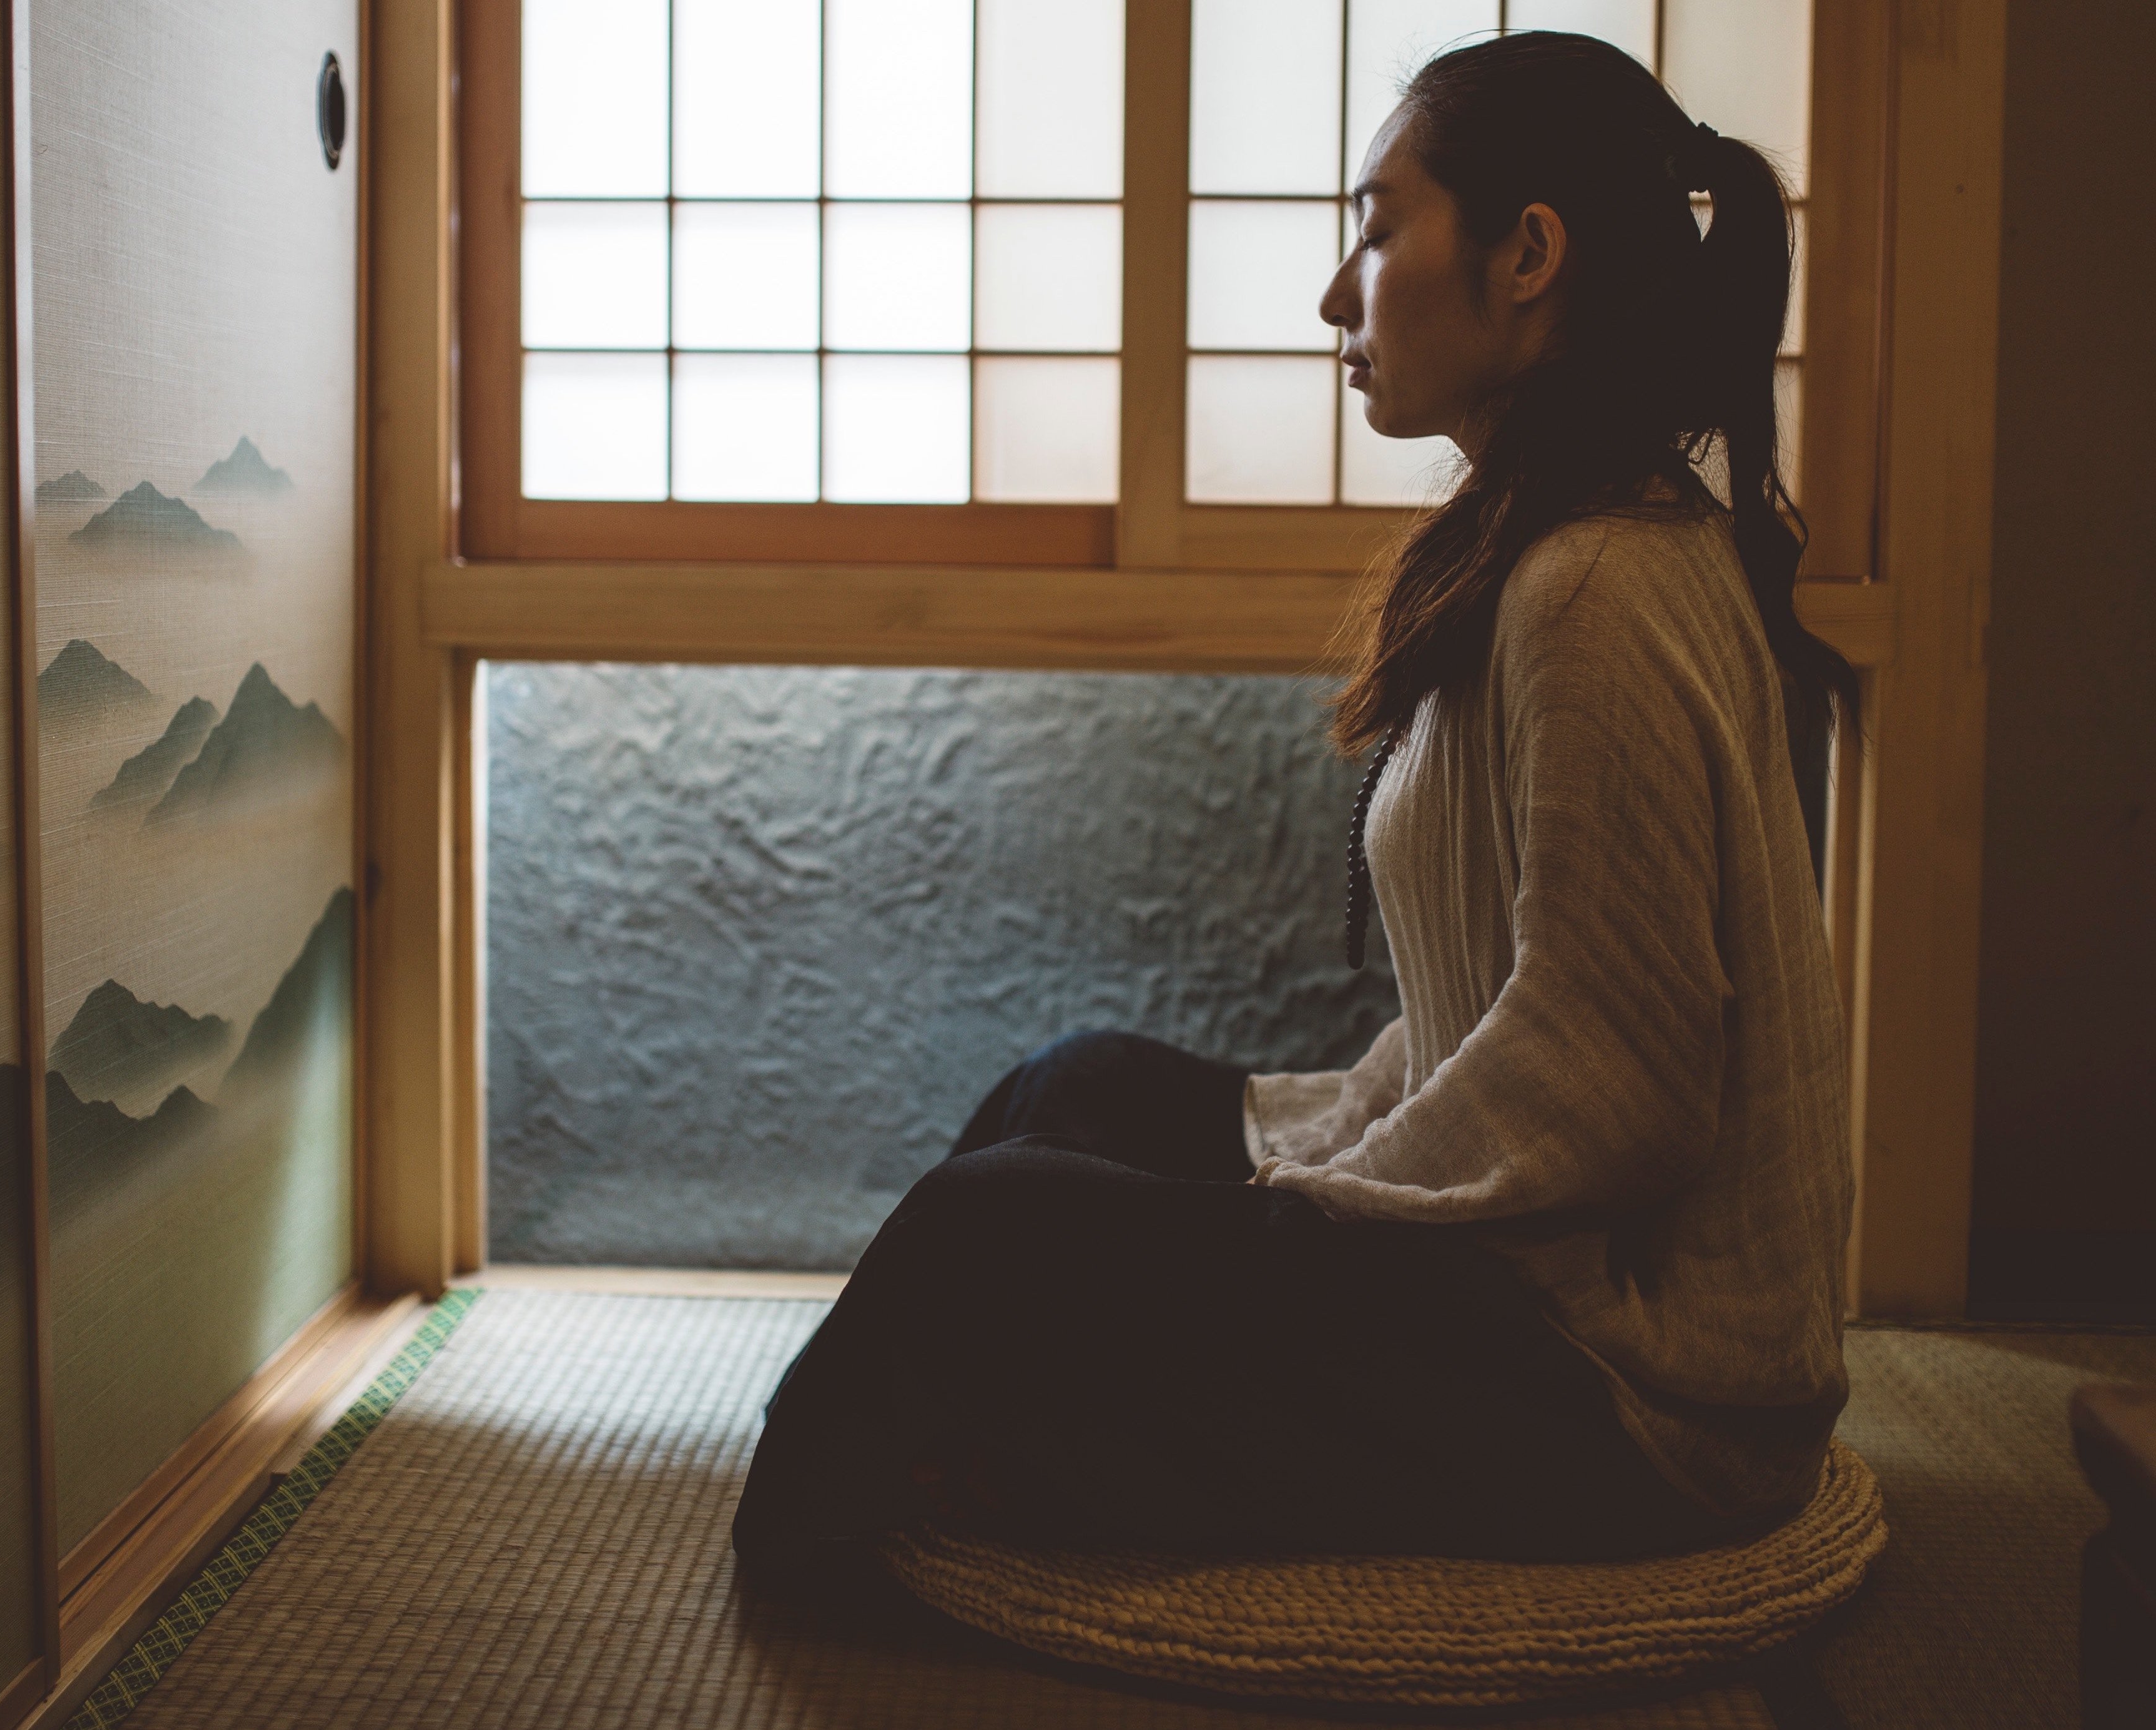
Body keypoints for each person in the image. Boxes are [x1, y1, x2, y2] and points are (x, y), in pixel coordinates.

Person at [732, 30, 1856, 1598]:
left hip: (1641, 1399)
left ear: (1526, 256)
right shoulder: (1548, 548)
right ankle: (962, 1449)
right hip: (1535, 1296)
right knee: (1086, 1089)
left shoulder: (1598, 585)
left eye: (1380, 227)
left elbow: (1621, 1079)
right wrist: (1302, 1150)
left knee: (995, 1231)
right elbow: (1496, 1015)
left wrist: (1311, 1209)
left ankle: (876, 1519)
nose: (1341, 291)